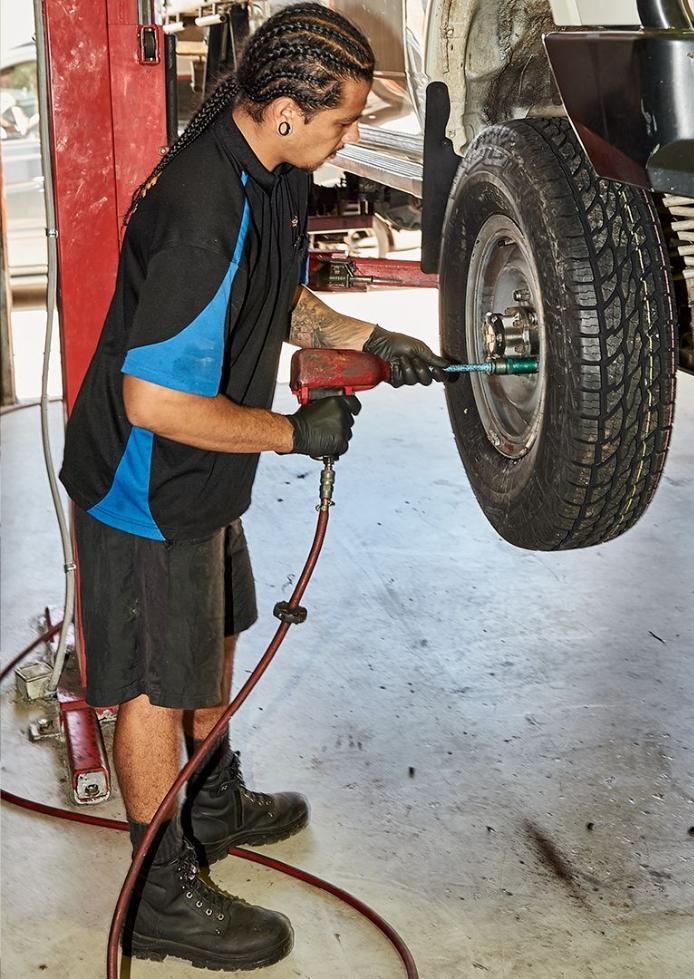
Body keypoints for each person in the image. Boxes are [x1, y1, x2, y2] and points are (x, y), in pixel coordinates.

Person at [59, 4, 447, 970]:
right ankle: (159, 894)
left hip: (206, 467)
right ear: (281, 110)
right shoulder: (203, 207)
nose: (349, 137)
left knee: (218, 629)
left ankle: (212, 793)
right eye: (340, 121)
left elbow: (272, 297)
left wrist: (368, 339)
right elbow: (150, 397)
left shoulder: (272, 174)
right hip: (145, 482)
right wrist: (289, 432)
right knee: (157, 683)